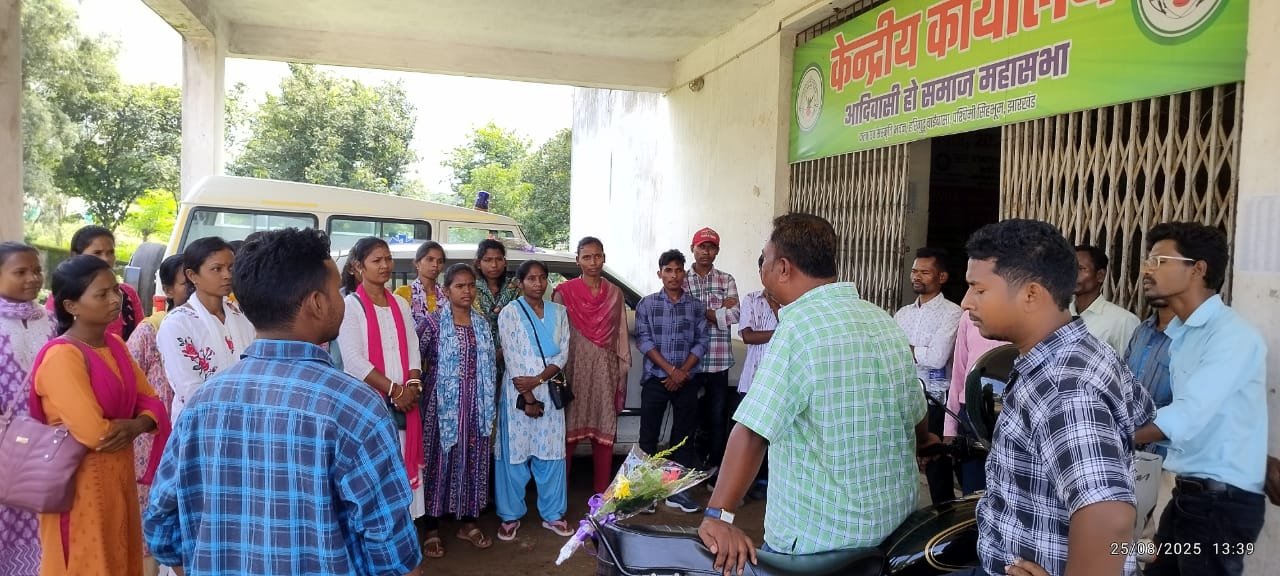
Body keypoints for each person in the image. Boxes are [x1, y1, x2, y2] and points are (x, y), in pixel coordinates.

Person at [142, 228, 423, 576]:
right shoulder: (356, 407)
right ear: (317, 303)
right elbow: (392, 550)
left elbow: (161, 524)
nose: (341, 299)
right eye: (336, 290)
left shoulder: (203, 404)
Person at [698, 213, 927, 575]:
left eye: (765, 258)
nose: (763, 267)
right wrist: (926, 443)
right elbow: (916, 413)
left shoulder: (798, 328)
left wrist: (718, 514)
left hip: (818, 544)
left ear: (783, 268)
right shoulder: (882, 320)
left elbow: (754, 430)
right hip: (892, 532)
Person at [961, 219, 1152, 576]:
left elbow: (1108, 516)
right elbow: (1139, 417)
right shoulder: (1087, 351)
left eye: (978, 289)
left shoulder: (1064, 386)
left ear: (1031, 294)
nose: (965, 302)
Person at [1133, 222, 1267, 576]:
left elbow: (1188, 414)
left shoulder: (1231, 336)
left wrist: (1113, 433)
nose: (1147, 270)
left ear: (1198, 269)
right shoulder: (1184, 335)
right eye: (1148, 260)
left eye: (1159, 260)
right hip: (1190, 496)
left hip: (1220, 504)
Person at [32, 255, 168, 576]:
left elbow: (153, 403)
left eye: (115, 290)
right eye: (102, 294)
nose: (115, 299)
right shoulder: (62, 356)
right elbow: (96, 433)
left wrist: (134, 425)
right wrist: (139, 422)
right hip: (78, 486)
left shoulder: (116, 345)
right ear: (72, 306)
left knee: (121, 559)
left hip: (118, 479)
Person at [336, 237, 426, 524]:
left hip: (404, 404)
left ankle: (405, 529)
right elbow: (353, 360)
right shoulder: (351, 305)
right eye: (377, 260)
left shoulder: (400, 303)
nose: (385, 265)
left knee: (402, 463)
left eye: (387, 259)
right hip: (371, 405)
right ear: (357, 267)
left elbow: (413, 346)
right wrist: (395, 391)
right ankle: (381, 530)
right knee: (376, 469)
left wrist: (412, 385)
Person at [419, 264, 498, 557]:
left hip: (477, 405)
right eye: (460, 286)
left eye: (471, 285)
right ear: (447, 290)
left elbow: (489, 363)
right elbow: (416, 361)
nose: (467, 291)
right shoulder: (432, 323)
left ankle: (468, 523)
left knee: (473, 460)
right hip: (441, 407)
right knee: (438, 462)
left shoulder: (482, 324)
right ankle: (431, 529)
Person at [495, 260, 574, 540]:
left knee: (550, 451)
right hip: (518, 394)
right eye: (531, 278)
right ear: (520, 283)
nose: (538, 284)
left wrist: (538, 380)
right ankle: (509, 515)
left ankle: (553, 514)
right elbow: (512, 356)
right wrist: (528, 396)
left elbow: (562, 353)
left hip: (549, 390)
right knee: (515, 453)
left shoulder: (560, 312)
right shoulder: (510, 312)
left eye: (542, 278)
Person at [553, 237, 631, 495]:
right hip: (573, 371)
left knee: (604, 432)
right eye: (586, 257)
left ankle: (601, 494)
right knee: (567, 434)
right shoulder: (564, 293)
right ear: (578, 261)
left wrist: (621, 371)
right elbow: (556, 337)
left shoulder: (615, 294)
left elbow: (621, 335)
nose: (593, 262)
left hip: (605, 373)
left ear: (604, 258)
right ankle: (559, 495)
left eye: (597, 256)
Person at [125, 254, 186, 576]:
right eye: (187, 283)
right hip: (153, 443)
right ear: (169, 290)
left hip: (188, 440)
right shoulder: (151, 330)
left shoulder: (225, 324)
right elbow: (128, 382)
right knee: (150, 524)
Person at [635, 249, 709, 514]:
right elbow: (644, 340)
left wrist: (682, 372)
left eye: (678, 270)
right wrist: (669, 371)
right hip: (656, 380)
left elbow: (702, 341)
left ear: (684, 274)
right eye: (668, 270)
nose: (674, 275)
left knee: (683, 437)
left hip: (686, 381)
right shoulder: (647, 304)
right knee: (648, 437)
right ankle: (645, 493)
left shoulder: (695, 306)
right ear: (660, 274)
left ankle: (677, 493)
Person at [0, 242, 56, 576]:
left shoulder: (48, 321)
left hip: (44, 447)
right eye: (20, 272)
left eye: (36, 271)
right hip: (4, 448)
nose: (32, 278)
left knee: (40, 522)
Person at [156, 237, 256, 423]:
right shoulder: (177, 324)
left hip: (244, 420)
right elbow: (189, 389)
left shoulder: (240, 315)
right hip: (200, 423)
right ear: (192, 276)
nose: (227, 275)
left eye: (231, 268)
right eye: (217, 269)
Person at [894, 246, 962, 505]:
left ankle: (944, 520)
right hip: (902, 398)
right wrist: (916, 350)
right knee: (899, 464)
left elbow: (936, 358)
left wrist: (907, 349)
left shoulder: (953, 312)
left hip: (933, 400)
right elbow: (891, 354)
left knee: (937, 470)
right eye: (914, 271)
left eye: (924, 272)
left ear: (941, 277)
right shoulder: (903, 314)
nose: (916, 276)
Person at [682, 227, 740, 476]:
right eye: (702, 247)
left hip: (718, 360)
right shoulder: (681, 279)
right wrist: (718, 311)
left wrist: (700, 310)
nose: (706, 252)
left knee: (717, 418)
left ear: (717, 251)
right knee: (688, 417)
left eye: (711, 247)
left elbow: (735, 315)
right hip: (689, 362)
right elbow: (680, 315)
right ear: (692, 249)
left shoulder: (726, 280)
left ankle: (715, 471)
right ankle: (688, 468)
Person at [943, 310, 1007, 495]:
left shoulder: (1024, 311)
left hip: (1010, 413)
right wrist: (950, 427)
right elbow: (958, 373)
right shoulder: (969, 316)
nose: (966, 301)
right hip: (971, 416)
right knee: (973, 493)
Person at [46, 226, 144, 341]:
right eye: (97, 253)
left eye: (110, 252)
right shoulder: (63, 297)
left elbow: (141, 338)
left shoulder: (128, 294)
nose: (106, 259)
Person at [735, 253, 780, 501]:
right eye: (764, 268)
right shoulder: (751, 299)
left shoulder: (792, 303)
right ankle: (745, 486)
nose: (768, 273)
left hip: (779, 382)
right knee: (749, 436)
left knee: (775, 437)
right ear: (760, 272)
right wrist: (780, 332)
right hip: (753, 379)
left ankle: (768, 484)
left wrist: (777, 311)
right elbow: (748, 336)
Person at [1070, 245, 1139, 355]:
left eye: (1081, 268)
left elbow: (1130, 363)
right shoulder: (1060, 316)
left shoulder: (1123, 321)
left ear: (1100, 276)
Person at [473, 239, 521, 367]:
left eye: (499, 259)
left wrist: (504, 350)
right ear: (478, 263)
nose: (494, 265)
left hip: (514, 357)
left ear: (505, 262)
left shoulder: (516, 288)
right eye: (488, 260)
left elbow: (522, 323)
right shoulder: (470, 289)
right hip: (478, 357)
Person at [395, 241, 449, 333]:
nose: (435, 265)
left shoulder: (446, 293)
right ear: (417, 263)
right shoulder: (403, 293)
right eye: (430, 259)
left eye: (440, 261)